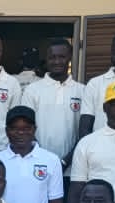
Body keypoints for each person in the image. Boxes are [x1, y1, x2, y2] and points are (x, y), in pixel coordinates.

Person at [19, 39, 83, 175]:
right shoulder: (32, 90)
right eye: (52, 57)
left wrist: (66, 161)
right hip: (39, 166)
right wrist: (45, 158)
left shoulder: (82, 91)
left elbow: (85, 132)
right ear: (46, 59)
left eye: (62, 57)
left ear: (70, 58)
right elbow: (26, 127)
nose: (57, 61)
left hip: (73, 169)